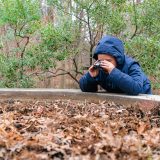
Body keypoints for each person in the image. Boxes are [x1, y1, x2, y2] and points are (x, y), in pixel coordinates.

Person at [79, 35, 151, 95]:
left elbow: (136, 88)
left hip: (143, 96)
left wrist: (113, 71)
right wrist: (91, 77)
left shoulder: (131, 65)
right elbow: (86, 88)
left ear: (117, 59)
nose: (104, 63)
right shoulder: (99, 68)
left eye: (108, 61)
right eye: (101, 60)